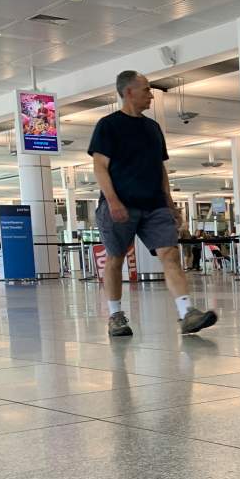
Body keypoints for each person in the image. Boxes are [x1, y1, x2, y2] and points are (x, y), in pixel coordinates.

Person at [90, 71, 218, 337]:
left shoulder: (152, 128)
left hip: (154, 205)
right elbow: (100, 167)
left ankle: (186, 313)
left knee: (170, 254)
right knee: (116, 258)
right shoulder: (108, 125)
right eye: (146, 90)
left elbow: (159, 169)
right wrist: (113, 201)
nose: (151, 95)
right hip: (120, 204)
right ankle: (115, 316)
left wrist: (170, 204)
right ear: (128, 92)